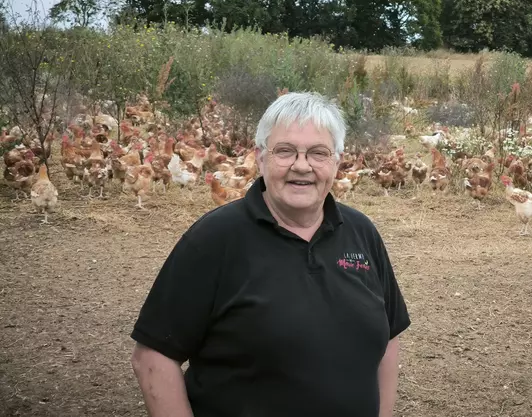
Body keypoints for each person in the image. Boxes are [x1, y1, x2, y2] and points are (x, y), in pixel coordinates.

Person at [130, 91, 411, 417]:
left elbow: (389, 337)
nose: (301, 166)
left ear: (337, 160)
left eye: (318, 153)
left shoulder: (361, 232)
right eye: (285, 151)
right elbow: (152, 358)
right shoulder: (215, 239)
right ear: (261, 158)